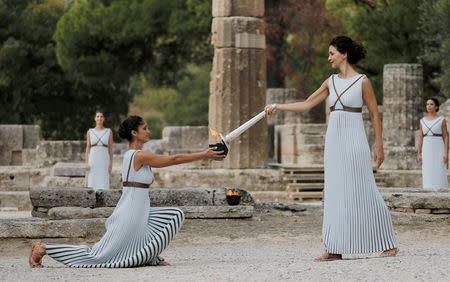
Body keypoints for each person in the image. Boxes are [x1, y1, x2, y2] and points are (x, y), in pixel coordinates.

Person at [265, 36, 399, 260]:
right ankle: (333, 248)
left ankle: (388, 242)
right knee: (334, 193)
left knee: (365, 190)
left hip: (355, 142)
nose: (329, 58)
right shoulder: (331, 81)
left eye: (332, 53)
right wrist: (278, 106)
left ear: (344, 54)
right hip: (334, 143)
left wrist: (379, 145)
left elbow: (375, 115)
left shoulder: (362, 82)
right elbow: (307, 103)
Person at [29, 115, 225, 268]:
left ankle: (149, 256)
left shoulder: (138, 155)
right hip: (130, 212)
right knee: (98, 256)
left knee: (175, 215)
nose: (148, 131)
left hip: (141, 210)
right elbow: (172, 160)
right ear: (134, 132)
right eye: (144, 128)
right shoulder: (138, 155)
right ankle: (43, 248)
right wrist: (204, 154)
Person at [417, 98, 448, 190]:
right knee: (427, 170)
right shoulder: (422, 121)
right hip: (426, 148)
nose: (429, 106)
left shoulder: (442, 120)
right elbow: (420, 137)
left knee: (439, 170)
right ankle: (428, 191)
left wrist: (446, 153)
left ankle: (441, 192)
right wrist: (418, 153)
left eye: (431, 104)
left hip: (438, 147)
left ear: (436, 107)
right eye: (427, 104)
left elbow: (446, 136)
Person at [85, 110, 113, 190]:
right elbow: (87, 148)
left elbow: (111, 149)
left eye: (101, 116)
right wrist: (86, 162)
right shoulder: (90, 131)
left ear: (104, 119)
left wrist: (111, 164)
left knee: (104, 181)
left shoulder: (108, 131)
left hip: (104, 160)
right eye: (98, 116)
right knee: (92, 181)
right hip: (93, 160)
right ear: (95, 118)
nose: (99, 118)